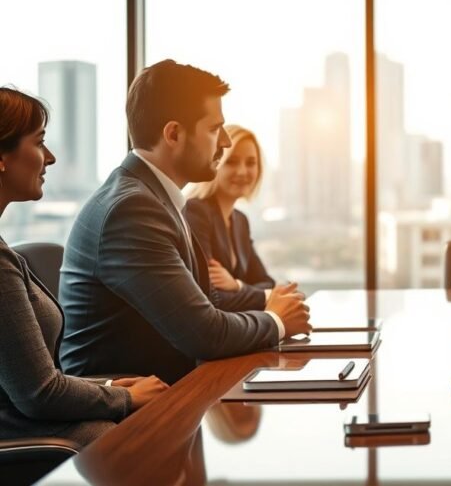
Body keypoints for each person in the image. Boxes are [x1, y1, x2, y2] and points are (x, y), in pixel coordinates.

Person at [60, 60, 311, 384]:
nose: (223, 141)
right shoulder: (132, 209)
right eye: (213, 129)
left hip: (171, 391)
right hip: (127, 415)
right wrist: (275, 320)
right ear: (174, 134)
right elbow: (204, 332)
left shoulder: (154, 200)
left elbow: (208, 312)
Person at [0, 87, 167, 447]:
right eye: (39, 142)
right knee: (149, 433)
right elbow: (38, 394)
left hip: (27, 421)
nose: (51, 157)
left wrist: (106, 388)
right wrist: (124, 398)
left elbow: (32, 381)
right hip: (25, 440)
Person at [185, 125, 281, 312]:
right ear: (216, 163)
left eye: (251, 163)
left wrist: (237, 286)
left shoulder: (240, 221)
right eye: (232, 162)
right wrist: (266, 297)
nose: (242, 172)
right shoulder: (196, 211)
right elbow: (210, 296)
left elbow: (267, 283)